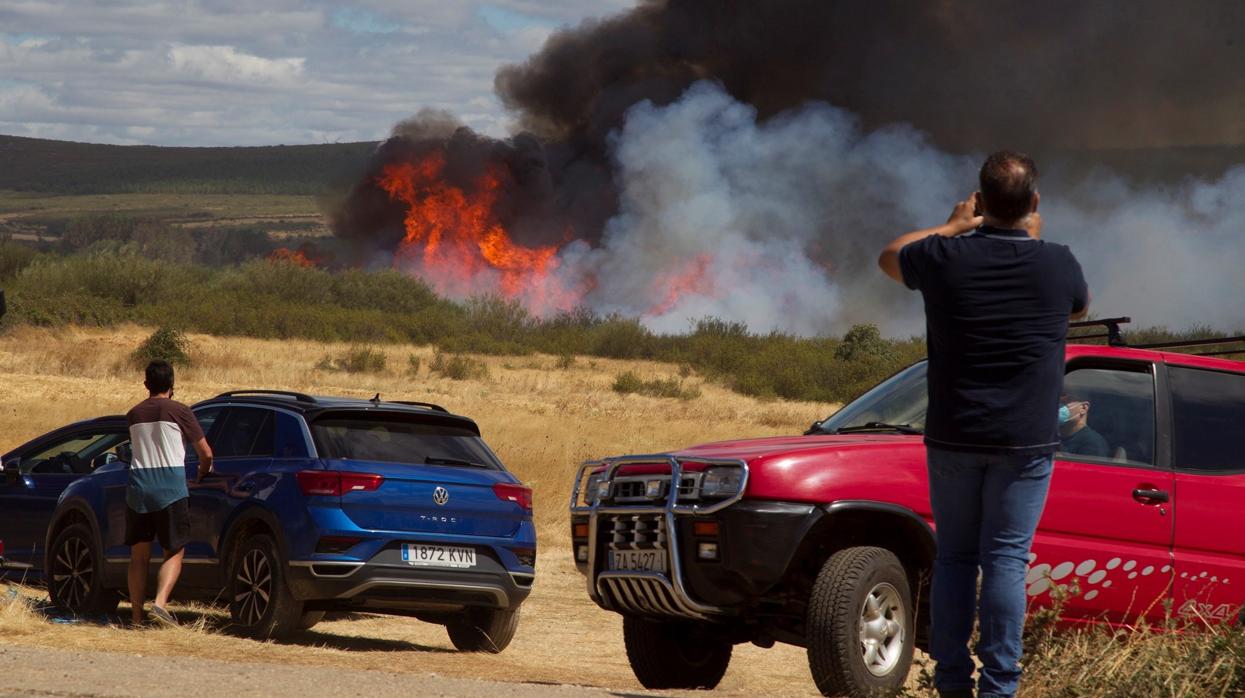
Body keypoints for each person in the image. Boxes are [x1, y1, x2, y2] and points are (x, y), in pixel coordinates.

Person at [878, 151, 1089, 698]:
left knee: (954, 556)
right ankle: (1001, 687)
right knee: (1005, 559)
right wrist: (1035, 242)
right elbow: (1077, 311)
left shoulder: (944, 256)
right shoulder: (1057, 261)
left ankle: (952, 683)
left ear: (978, 201)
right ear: (1034, 204)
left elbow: (889, 256)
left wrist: (951, 228)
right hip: (1026, 439)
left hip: (953, 433)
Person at [125, 359, 212, 626]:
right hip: (170, 489)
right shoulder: (180, 411)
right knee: (174, 551)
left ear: (146, 384)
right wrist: (203, 470)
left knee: (139, 556)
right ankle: (160, 603)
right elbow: (206, 452)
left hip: (139, 487)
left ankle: (137, 618)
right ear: (172, 385)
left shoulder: (134, 414)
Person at [1058, 390, 1110, 458]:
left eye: (1065, 401)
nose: (1059, 406)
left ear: (1083, 408)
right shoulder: (1051, 436)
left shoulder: (1093, 443)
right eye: (1057, 401)